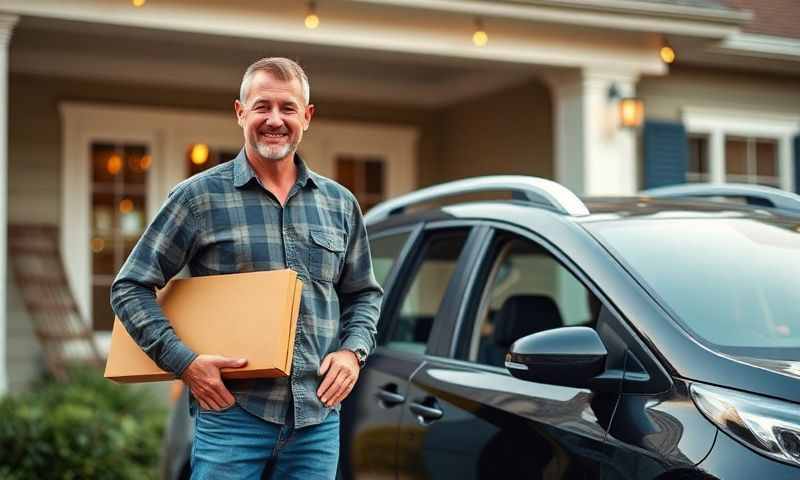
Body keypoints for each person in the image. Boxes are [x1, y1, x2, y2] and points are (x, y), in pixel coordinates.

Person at [110, 57, 383, 480]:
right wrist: (185, 363)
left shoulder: (340, 204)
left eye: (288, 108)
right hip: (231, 417)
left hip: (317, 420)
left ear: (306, 117)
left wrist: (352, 352)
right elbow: (129, 287)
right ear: (240, 113)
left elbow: (363, 292)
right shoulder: (197, 198)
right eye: (262, 106)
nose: (275, 119)